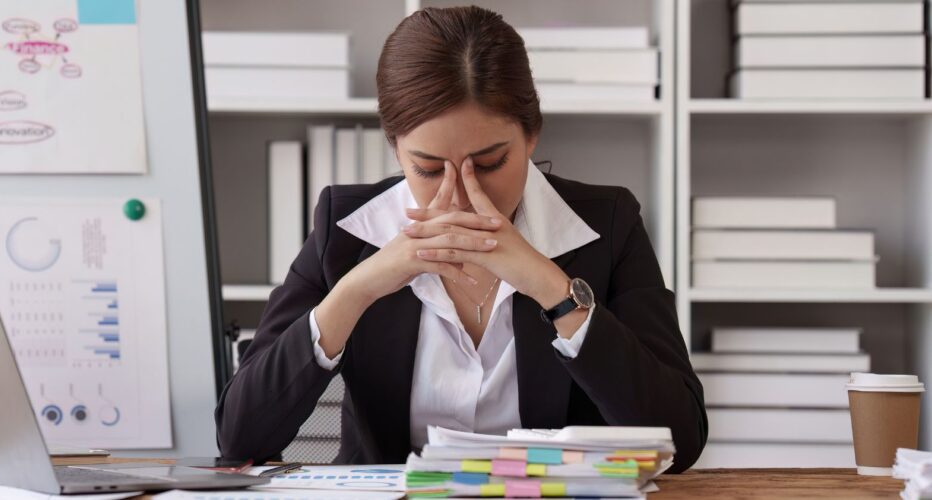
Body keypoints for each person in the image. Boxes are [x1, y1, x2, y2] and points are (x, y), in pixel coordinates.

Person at [215, 5, 707, 472]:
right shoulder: (344, 229)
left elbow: (680, 440)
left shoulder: (608, 224)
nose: (460, 195)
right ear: (395, 147)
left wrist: (552, 290)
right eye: (428, 169)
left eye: (490, 164)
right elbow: (240, 438)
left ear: (532, 134)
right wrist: (357, 289)